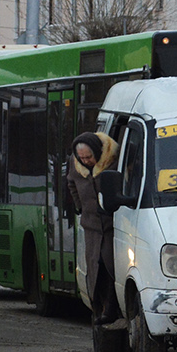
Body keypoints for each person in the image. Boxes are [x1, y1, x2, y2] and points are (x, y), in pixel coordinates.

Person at [65, 131, 121, 325]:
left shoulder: (114, 160)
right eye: (82, 158)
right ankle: (99, 308)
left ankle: (113, 308)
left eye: (89, 157)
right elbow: (71, 184)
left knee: (110, 267)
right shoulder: (76, 165)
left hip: (112, 225)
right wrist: (80, 206)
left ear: (97, 153)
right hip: (92, 227)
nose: (86, 161)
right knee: (94, 269)